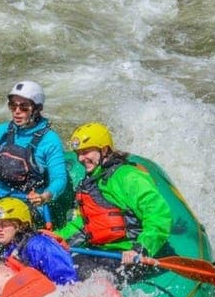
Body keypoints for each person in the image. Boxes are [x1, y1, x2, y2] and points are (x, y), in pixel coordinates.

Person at [56, 123, 174, 287]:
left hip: (128, 253)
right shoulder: (92, 180)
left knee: (91, 277)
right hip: (101, 252)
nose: (81, 159)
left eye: (86, 152)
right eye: (78, 154)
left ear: (104, 150)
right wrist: (56, 238)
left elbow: (158, 215)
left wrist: (140, 248)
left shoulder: (128, 177)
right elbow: (86, 223)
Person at [0, 80, 69, 223]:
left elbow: (59, 179)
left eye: (24, 107)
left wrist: (45, 196)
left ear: (37, 109)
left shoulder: (50, 140)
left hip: (25, 201)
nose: (17, 111)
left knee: (5, 219)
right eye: (13, 106)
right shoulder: (2, 131)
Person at [0, 197, 77, 286]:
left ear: (22, 225)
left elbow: (67, 280)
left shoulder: (39, 245)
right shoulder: (8, 248)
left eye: (4, 224)